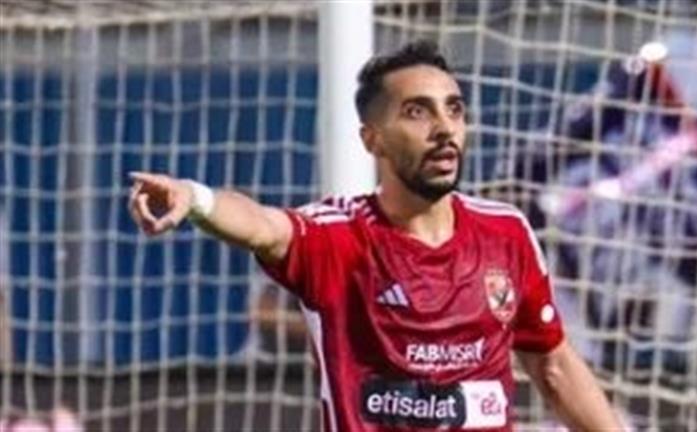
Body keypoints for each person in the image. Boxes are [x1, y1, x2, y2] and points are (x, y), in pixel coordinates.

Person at [128, 41, 622, 431]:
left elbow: (553, 365)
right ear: (373, 139)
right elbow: (261, 224)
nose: (444, 128)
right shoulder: (337, 238)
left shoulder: (505, 232)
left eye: (454, 109)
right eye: (417, 112)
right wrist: (196, 198)